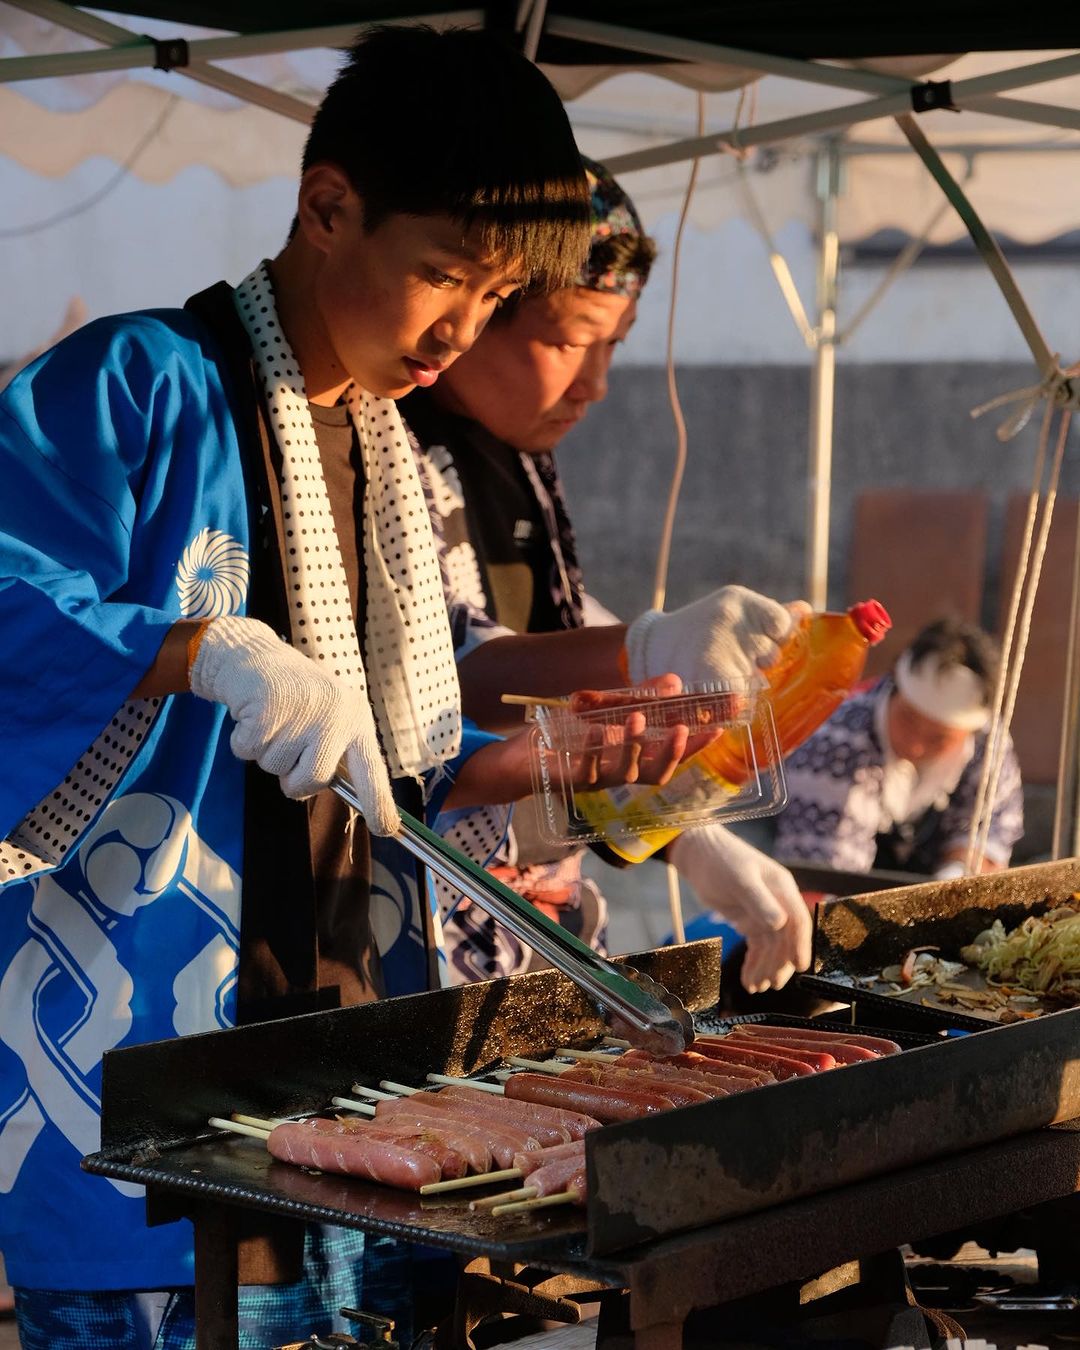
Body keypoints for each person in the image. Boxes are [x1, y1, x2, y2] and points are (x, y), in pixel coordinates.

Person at [0, 25, 595, 1349]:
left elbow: (384, 767)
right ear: (328, 206)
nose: (461, 330)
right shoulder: (133, 390)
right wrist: (195, 647)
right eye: (443, 274)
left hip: (359, 1083)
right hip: (136, 1109)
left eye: (494, 300)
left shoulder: (389, 456)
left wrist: (544, 775)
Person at [403, 159, 813, 996]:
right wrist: (647, 645)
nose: (594, 384)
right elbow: (452, 665)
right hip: (427, 935)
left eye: (613, 345)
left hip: (536, 931)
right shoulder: (390, 450)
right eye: (565, 342)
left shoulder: (520, 462)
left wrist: (692, 831)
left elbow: (559, 632)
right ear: (480, 304)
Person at [773, 617, 1024, 878]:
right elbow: (827, 877)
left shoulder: (986, 745)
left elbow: (989, 835)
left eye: (939, 739)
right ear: (894, 689)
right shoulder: (836, 739)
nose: (916, 746)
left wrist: (955, 877)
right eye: (908, 720)